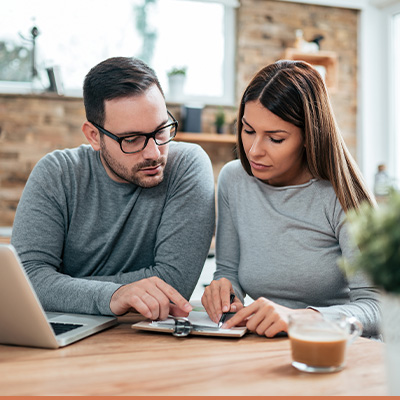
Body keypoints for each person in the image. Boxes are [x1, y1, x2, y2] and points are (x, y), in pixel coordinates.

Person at [11, 57, 215, 320]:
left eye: (162, 130)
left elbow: (174, 284)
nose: (154, 153)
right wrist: (113, 295)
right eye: (132, 139)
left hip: (145, 336)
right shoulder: (58, 173)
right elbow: (26, 280)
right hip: (64, 332)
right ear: (94, 136)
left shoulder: (187, 166)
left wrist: (63, 286)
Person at [201, 60, 380, 338]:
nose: (254, 151)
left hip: (336, 351)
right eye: (248, 131)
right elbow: (228, 271)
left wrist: (300, 319)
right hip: (267, 347)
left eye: (275, 138)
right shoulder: (233, 180)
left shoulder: (342, 195)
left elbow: (378, 307)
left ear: (309, 137)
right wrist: (225, 292)